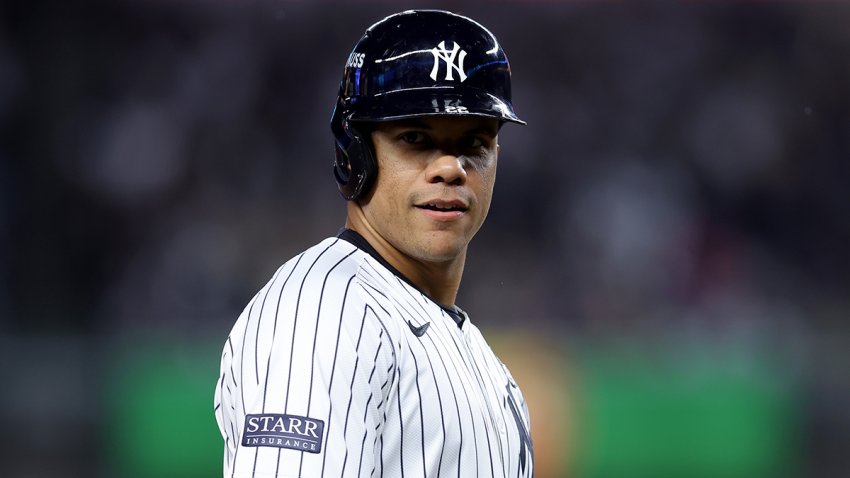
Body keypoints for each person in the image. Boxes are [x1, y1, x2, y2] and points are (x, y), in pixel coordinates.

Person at [214, 9, 533, 477]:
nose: (451, 168)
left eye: (474, 143)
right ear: (355, 153)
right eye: (415, 138)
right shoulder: (322, 313)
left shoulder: (481, 359)